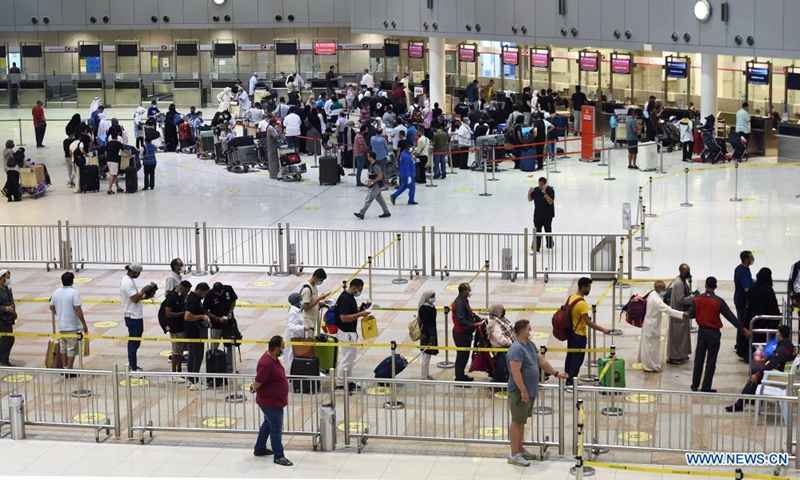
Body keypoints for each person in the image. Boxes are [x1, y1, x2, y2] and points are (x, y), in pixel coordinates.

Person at [507, 319, 569, 467]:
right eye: (529, 328)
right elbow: (515, 372)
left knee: (522, 422)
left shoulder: (530, 345)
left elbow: (541, 362)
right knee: (517, 422)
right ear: (523, 332)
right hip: (520, 392)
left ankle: (520, 449)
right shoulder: (516, 349)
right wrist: (523, 391)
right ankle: (514, 454)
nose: (531, 331)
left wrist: (555, 373)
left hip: (530, 390)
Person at [689, 277, 750, 392]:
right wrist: (744, 330)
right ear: (715, 286)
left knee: (699, 359)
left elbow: (692, 315)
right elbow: (731, 317)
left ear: (705, 285)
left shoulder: (697, 299)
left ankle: (694, 385)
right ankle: (706, 387)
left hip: (702, 332)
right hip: (714, 334)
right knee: (711, 361)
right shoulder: (718, 301)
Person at [727, 325, 795, 412]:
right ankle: (750, 399)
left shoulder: (782, 348)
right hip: (785, 373)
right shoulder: (788, 344)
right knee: (755, 371)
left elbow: (771, 365)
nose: (776, 333)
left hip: (781, 377)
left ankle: (740, 404)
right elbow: (775, 356)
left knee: (756, 374)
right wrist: (765, 359)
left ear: (780, 334)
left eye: (777, 331)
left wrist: (758, 374)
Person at [253, 336, 293, 466]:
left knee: (267, 424)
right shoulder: (266, 363)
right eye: (282, 348)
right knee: (276, 428)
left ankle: (259, 449)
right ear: (276, 349)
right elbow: (258, 382)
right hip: (270, 402)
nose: (283, 350)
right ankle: (279, 456)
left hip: (274, 401)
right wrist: (253, 387)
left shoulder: (273, 359)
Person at [565, 278, 610, 386]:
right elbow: (588, 322)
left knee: (570, 357)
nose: (589, 289)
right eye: (589, 287)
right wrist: (603, 329)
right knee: (577, 360)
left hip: (571, 333)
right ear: (583, 287)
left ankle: (568, 379)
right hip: (579, 335)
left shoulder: (570, 298)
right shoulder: (582, 303)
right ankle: (572, 382)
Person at [638, 281, 689, 373]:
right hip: (652, 327)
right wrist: (682, 314)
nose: (665, 290)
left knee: (650, 348)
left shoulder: (653, 293)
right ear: (659, 289)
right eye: (664, 288)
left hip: (649, 324)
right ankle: (650, 367)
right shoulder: (657, 300)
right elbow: (668, 310)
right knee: (651, 349)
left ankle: (650, 365)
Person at [334, 279, 370, 393]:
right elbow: (343, 318)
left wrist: (362, 308)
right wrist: (360, 314)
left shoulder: (350, 297)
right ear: (354, 287)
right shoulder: (344, 299)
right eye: (359, 289)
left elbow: (351, 311)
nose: (360, 291)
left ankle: (347, 380)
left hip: (350, 332)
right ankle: (340, 383)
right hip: (346, 333)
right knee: (346, 358)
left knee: (350, 358)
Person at [119, 263, 154, 372]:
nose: (138, 275)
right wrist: (143, 290)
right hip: (133, 316)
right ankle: (133, 367)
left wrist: (145, 296)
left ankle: (132, 363)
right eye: (138, 273)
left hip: (134, 315)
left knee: (135, 341)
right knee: (134, 342)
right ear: (133, 271)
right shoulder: (127, 282)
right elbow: (134, 298)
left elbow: (135, 298)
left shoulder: (128, 280)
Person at [204, 282, 239, 374]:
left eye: (221, 292)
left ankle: (230, 368)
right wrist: (216, 318)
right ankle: (213, 368)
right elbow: (205, 310)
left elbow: (233, 301)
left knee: (230, 346)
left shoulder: (229, 289)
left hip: (229, 324)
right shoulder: (209, 295)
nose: (220, 294)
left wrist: (230, 312)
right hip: (216, 325)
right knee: (214, 347)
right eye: (217, 293)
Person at [744, 267, 781, 353]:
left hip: (753, 318)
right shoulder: (768, 290)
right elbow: (773, 306)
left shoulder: (753, 287)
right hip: (765, 321)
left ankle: (749, 353)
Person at [452, 283, 483, 381]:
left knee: (464, 356)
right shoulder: (459, 303)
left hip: (465, 333)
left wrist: (478, 319)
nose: (470, 292)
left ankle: (461, 374)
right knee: (462, 356)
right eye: (468, 290)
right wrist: (473, 325)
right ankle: (459, 377)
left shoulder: (464, 301)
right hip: (461, 334)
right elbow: (461, 320)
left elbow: (470, 314)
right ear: (463, 291)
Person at [667, 263, 695, 364]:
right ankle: (674, 357)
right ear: (681, 271)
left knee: (682, 335)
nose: (688, 273)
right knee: (677, 335)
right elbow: (680, 299)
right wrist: (693, 297)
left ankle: (682, 354)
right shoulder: (679, 283)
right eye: (687, 271)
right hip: (678, 312)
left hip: (682, 312)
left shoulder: (682, 280)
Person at [184, 282, 211, 390]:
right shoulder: (194, 300)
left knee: (192, 355)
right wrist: (202, 317)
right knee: (197, 356)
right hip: (195, 333)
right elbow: (187, 317)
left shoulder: (193, 298)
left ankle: (191, 379)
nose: (205, 296)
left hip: (191, 332)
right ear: (200, 290)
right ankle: (195, 381)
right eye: (204, 294)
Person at [163, 280, 191, 378]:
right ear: (182, 288)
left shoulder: (180, 297)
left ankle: (179, 370)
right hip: (175, 329)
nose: (186, 293)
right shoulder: (172, 298)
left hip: (181, 328)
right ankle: (174, 373)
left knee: (180, 352)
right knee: (175, 352)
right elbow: (168, 313)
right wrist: (182, 314)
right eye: (186, 291)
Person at [354, 152, 392, 220]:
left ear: (371, 157)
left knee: (369, 199)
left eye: (368, 156)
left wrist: (372, 183)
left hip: (376, 185)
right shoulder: (372, 165)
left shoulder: (375, 166)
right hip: (375, 184)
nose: (367, 158)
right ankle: (386, 212)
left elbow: (380, 176)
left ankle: (362, 213)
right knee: (380, 199)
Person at [734, 250, 755, 361]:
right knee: (742, 322)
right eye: (751, 257)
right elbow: (747, 288)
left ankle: (739, 343)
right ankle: (739, 345)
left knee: (740, 321)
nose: (753, 259)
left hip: (738, 298)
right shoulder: (744, 272)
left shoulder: (740, 268)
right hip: (743, 301)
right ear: (746, 259)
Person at [487, 304, 515, 383]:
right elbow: (502, 340)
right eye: (502, 310)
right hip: (502, 348)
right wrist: (512, 342)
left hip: (508, 345)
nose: (503, 311)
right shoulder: (494, 323)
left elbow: (511, 327)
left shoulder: (502, 320)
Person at [528, 177, 555, 253]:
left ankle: (549, 244)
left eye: (542, 185)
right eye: (539, 184)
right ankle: (536, 247)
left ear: (545, 184)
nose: (540, 186)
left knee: (548, 230)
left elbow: (550, 202)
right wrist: (529, 193)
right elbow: (530, 199)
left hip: (547, 215)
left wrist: (545, 194)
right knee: (537, 231)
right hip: (538, 214)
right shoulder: (536, 190)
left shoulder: (550, 190)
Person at [417, 290, 439, 380]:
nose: (433, 298)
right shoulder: (424, 308)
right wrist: (429, 337)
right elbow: (426, 323)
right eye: (431, 297)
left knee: (428, 356)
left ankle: (426, 374)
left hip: (432, 333)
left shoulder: (431, 307)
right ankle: (423, 376)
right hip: (427, 335)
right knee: (426, 356)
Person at [390, 141, 417, 206]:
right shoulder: (406, 156)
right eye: (411, 147)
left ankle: (394, 196)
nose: (412, 148)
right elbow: (406, 167)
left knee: (404, 186)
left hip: (404, 173)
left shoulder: (404, 153)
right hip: (408, 174)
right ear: (407, 147)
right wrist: (408, 176)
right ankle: (411, 200)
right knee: (412, 187)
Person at [0, 269, 16, 366]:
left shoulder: (7, 289)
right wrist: (5, 308)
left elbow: (11, 302)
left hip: (8, 319)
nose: (8, 280)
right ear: (1, 278)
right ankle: (3, 360)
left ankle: (4, 359)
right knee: (8, 339)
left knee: (7, 339)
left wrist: (14, 312)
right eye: (7, 278)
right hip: (2, 319)